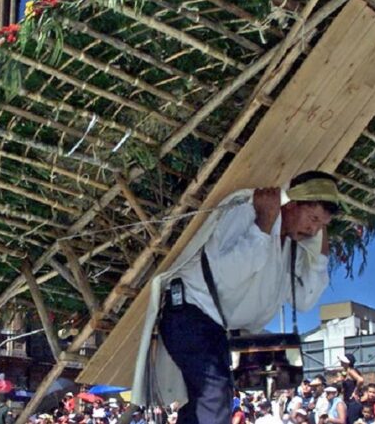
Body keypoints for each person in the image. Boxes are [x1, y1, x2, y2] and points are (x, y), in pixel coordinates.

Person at [135, 171, 340, 423]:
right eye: (313, 218)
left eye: (322, 226)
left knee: (207, 401)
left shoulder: (290, 248)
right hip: (191, 313)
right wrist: (263, 225)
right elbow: (224, 273)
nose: (313, 229)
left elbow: (304, 300)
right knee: (214, 395)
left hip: (216, 329)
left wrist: (320, 257)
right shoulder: (248, 210)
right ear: (292, 204)